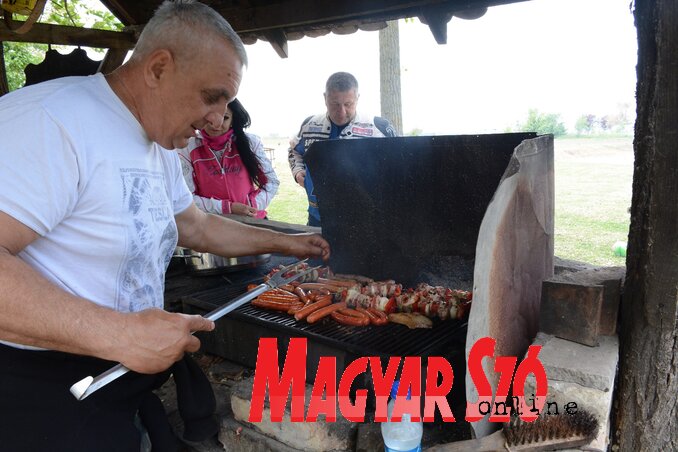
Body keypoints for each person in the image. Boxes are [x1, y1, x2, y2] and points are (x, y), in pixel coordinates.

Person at [0, 1, 329, 450]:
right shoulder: (51, 121)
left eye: (226, 103)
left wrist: (289, 243)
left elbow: (196, 225)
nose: (217, 118)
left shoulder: (157, 141)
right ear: (158, 67)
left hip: (120, 374)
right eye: (211, 96)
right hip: (45, 388)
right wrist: (119, 334)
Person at [288, 71, 397, 226]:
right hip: (318, 217)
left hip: (365, 219)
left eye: (348, 104)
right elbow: (294, 151)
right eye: (335, 104)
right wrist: (297, 171)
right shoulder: (309, 125)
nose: (341, 112)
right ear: (325, 98)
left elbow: (400, 165)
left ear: (357, 99)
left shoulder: (379, 128)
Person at [178, 98, 279, 218]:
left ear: (233, 120)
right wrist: (227, 208)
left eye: (225, 118)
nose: (216, 124)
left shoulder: (251, 143)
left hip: (253, 220)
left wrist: (251, 205)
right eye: (209, 117)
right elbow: (187, 197)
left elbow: (272, 182)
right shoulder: (187, 148)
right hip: (212, 224)